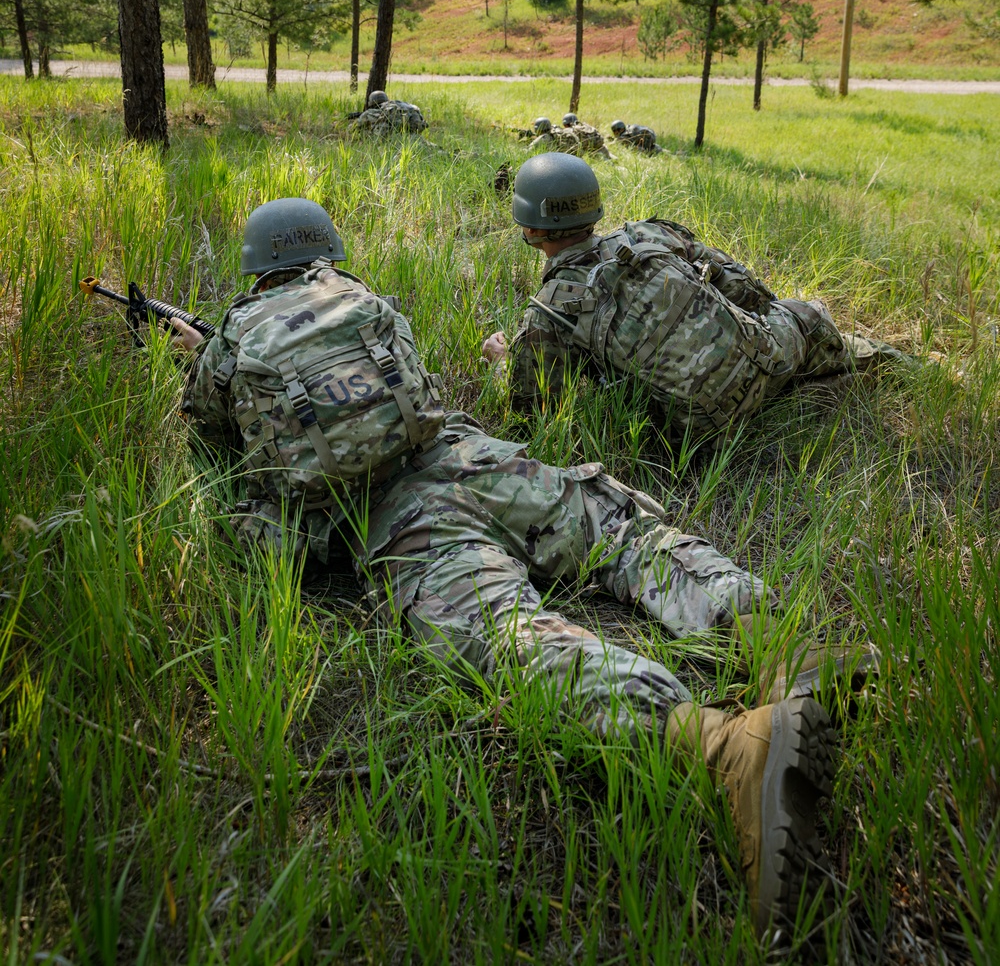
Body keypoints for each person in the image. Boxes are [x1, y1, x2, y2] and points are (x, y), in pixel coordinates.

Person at [173, 195, 869, 946]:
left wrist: (197, 358)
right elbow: (415, 398)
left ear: (255, 266)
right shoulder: (363, 301)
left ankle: (720, 746)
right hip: (469, 458)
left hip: (391, 518)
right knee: (615, 526)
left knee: (503, 632)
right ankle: (782, 646)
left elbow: (217, 451)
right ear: (324, 252)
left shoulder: (233, 339)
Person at [482, 153, 899, 430]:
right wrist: (759, 327)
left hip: (691, 431)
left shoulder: (548, 314)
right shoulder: (649, 235)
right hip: (761, 363)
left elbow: (531, 414)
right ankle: (897, 365)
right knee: (805, 314)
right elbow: (740, 284)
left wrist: (502, 361)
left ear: (531, 228)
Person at [349, 88, 428, 136]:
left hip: (390, 141)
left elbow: (352, 129)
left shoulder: (370, 113)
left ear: (371, 102)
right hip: (412, 137)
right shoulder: (399, 106)